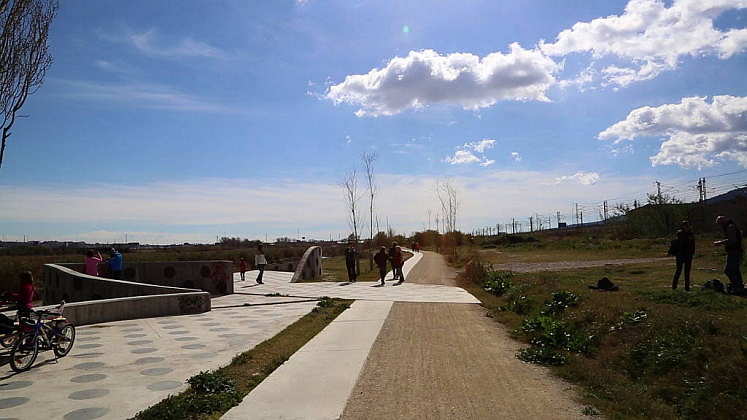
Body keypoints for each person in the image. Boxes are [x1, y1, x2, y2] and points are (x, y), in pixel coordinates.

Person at [714, 216, 744, 294]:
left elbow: (732, 240)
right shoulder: (732, 225)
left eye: (720, 224)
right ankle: (739, 286)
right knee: (735, 270)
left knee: (729, 271)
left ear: (722, 222)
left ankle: (736, 287)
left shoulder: (730, 227)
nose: (720, 226)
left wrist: (720, 242)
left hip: (734, 252)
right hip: (736, 251)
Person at [672, 221, 695, 291]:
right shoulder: (680, 234)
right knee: (678, 271)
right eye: (685, 226)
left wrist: (692, 252)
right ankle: (674, 286)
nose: (687, 227)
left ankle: (687, 287)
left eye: (687, 225)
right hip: (680, 255)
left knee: (687, 272)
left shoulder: (690, 234)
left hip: (688, 255)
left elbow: (693, 244)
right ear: (683, 226)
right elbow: (681, 244)